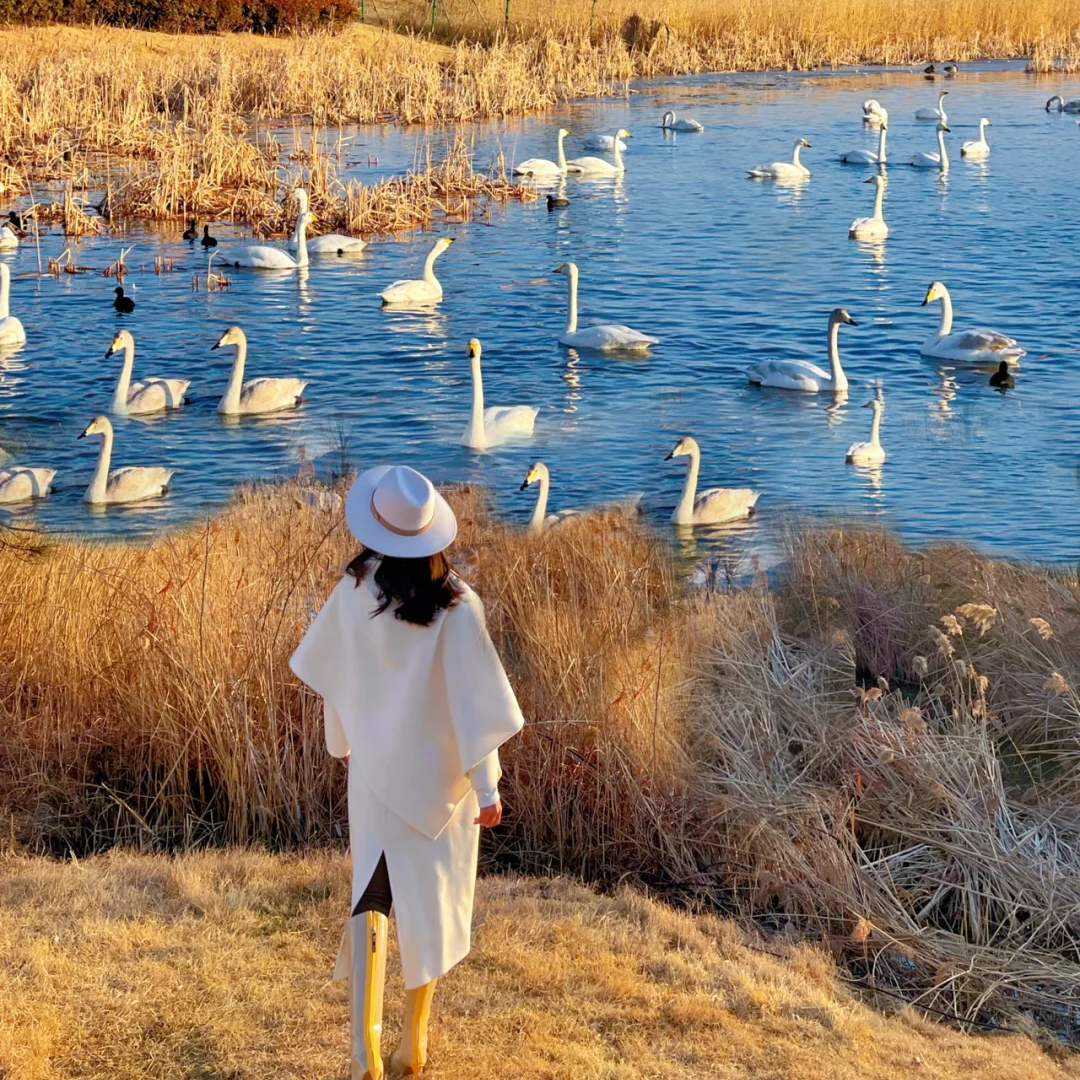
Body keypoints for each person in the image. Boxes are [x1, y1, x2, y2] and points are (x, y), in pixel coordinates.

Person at [290, 464, 525, 1080]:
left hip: (374, 772)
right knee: (431, 903)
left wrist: (343, 742)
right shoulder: (459, 606)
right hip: (440, 785)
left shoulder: (354, 590)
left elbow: (333, 683)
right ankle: (410, 1048)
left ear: (375, 529)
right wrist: (486, 787)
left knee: (372, 893)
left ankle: (365, 1051)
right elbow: (476, 707)